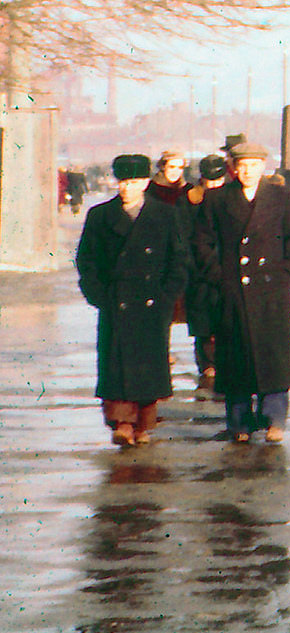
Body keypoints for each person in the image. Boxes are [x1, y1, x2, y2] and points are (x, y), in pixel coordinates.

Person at [194, 140, 290, 444]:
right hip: (233, 290)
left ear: (263, 167)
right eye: (241, 166)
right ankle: (239, 421)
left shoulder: (281, 197)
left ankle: (274, 419)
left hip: (271, 290)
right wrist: (218, 276)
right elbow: (201, 242)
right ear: (233, 168)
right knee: (235, 357)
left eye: (253, 166)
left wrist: (286, 271)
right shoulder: (217, 199)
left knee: (274, 356)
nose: (247, 171)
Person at [75, 154, 191, 447]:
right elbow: (87, 260)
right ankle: (121, 422)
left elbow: (179, 260)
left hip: (153, 303)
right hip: (117, 302)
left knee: (149, 365)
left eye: (135, 182)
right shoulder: (100, 216)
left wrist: (167, 297)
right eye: (123, 182)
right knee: (116, 362)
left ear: (146, 182)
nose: (127, 188)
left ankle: (144, 424)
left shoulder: (165, 215)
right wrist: (99, 295)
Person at [182, 152, 230, 385]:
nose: (213, 186)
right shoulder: (191, 200)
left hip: (226, 269)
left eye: (217, 181)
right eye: (209, 181)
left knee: (226, 320)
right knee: (202, 323)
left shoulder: (232, 199)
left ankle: (222, 361)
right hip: (199, 271)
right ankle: (207, 363)